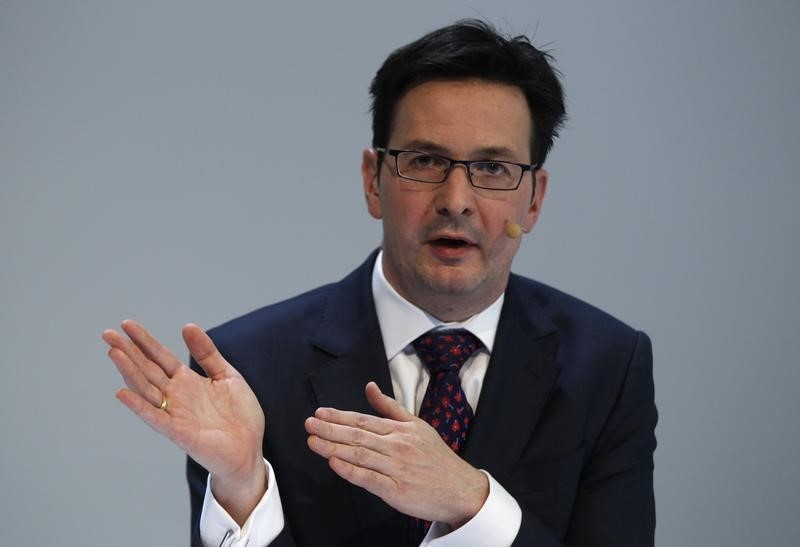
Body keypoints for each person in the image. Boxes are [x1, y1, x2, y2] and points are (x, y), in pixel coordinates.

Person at [104, 19, 657, 547]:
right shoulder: (246, 368)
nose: (456, 200)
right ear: (373, 181)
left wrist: (473, 503)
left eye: (493, 168)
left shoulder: (606, 366)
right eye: (424, 160)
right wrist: (242, 487)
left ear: (534, 199)